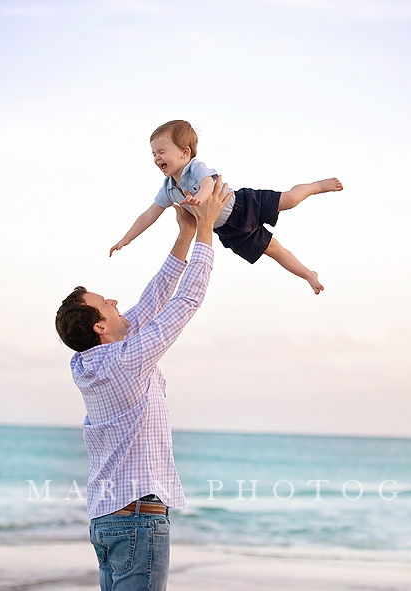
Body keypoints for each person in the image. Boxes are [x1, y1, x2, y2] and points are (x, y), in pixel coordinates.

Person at [55, 179, 233, 591]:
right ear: (100, 326)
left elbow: (151, 303)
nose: (116, 301)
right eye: (107, 303)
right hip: (136, 521)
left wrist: (184, 234)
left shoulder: (87, 361)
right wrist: (206, 229)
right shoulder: (124, 360)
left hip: (107, 521)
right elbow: (184, 303)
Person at [109, 119, 343, 294]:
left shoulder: (195, 167)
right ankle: (309, 275)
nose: (156, 158)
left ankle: (316, 186)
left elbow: (208, 184)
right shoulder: (168, 188)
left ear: (184, 152)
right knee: (273, 249)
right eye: (153, 154)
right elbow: (149, 214)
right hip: (230, 230)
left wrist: (199, 199)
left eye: (161, 151)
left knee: (290, 200)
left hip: (243, 204)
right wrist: (126, 239)